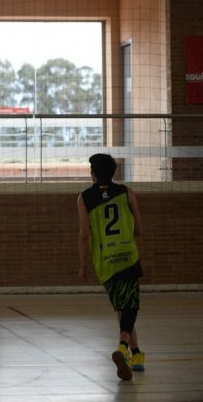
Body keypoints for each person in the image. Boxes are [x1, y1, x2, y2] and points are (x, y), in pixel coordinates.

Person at [78, 153, 145, 381]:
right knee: (131, 307)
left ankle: (136, 355)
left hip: (105, 262)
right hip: (127, 256)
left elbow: (84, 236)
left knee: (122, 308)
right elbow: (139, 228)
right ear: (113, 172)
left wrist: (83, 266)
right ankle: (123, 347)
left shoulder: (84, 198)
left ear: (93, 173)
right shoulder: (127, 192)